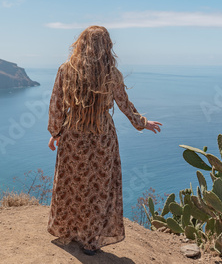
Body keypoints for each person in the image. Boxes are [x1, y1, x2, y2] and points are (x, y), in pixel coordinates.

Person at [47, 25, 162, 256]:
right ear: (107, 46)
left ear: (80, 44)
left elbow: (56, 105)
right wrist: (142, 123)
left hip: (74, 136)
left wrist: (55, 132)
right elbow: (124, 104)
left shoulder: (65, 70)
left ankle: (70, 231)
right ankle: (90, 241)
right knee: (98, 189)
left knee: (72, 185)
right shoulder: (112, 74)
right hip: (102, 138)